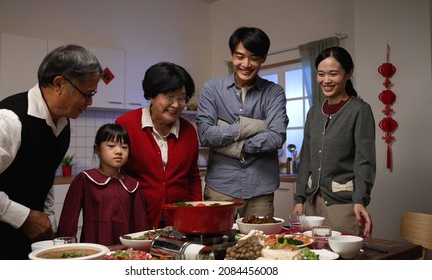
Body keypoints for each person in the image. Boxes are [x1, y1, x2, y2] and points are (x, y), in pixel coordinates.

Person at [0, 44, 102, 259]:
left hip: (27, 243)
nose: (90, 101)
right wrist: (25, 217)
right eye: (87, 94)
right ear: (59, 83)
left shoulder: (63, 124)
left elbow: (44, 178)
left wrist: (48, 223)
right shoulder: (8, 120)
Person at [196, 27, 289, 218]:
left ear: (263, 58)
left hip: (260, 190)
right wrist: (251, 126)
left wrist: (231, 140)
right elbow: (205, 135)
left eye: (253, 58)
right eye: (240, 56)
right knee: (216, 244)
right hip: (219, 187)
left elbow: (276, 137)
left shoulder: (274, 92)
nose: (246, 64)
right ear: (232, 55)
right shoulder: (212, 89)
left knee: (258, 244)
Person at [292, 46, 376, 237]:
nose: (326, 80)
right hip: (312, 206)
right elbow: (306, 160)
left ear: (349, 73)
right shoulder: (314, 112)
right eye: (321, 74)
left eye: (333, 74)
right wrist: (299, 199)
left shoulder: (359, 110)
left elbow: (364, 161)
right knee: (312, 257)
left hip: (344, 206)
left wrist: (360, 200)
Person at [115, 62, 202, 229]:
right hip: (137, 217)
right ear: (152, 95)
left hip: (180, 220)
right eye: (170, 96)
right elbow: (115, 173)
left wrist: (196, 211)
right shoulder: (126, 125)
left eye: (182, 98)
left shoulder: (189, 131)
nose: (176, 105)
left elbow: (193, 177)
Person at [57, 124, 149, 246]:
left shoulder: (133, 185)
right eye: (111, 146)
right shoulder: (85, 179)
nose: (119, 151)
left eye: (124, 147)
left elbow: (141, 226)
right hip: (94, 252)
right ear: (97, 149)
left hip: (125, 253)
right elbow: (68, 223)